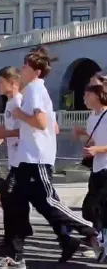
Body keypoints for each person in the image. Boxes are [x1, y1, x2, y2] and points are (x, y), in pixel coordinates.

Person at [9, 47, 99, 264]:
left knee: (48, 201)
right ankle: (15, 253)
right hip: (28, 158)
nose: (21, 70)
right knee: (18, 203)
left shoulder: (34, 90)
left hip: (36, 158)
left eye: (25, 66)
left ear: (36, 72)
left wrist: (19, 114)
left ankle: (88, 229)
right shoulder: (35, 89)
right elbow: (52, 126)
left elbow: (40, 123)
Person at [0, 66, 33, 264]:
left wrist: (3, 134)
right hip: (14, 160)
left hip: (23, 161)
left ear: (13, 83)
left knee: (12, 200)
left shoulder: (20, 102)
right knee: (11, 200)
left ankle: (15, 246)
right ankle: (11, 241)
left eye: (1, 82)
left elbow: (26, 131)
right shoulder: (9, 104)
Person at [80, 84, 107, 262]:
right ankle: (99, 242)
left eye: (86, 94)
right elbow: (95, 139)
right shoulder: (92, 117)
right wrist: (82, 134)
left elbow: (99, 144)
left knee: (101, 209)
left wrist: (97, 149)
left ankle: (101, 245)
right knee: (90, 209)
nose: (84, 98)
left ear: (96, 96)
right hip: (97, 168)